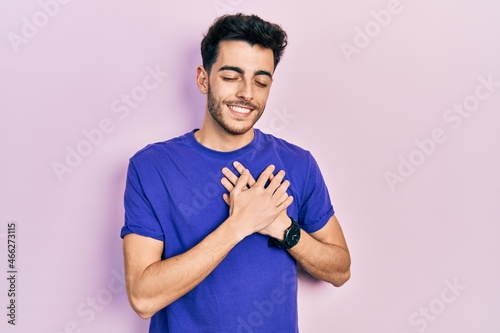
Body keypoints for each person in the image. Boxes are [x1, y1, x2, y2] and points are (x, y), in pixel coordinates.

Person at [120, 13, 351, 333]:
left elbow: (340, 269)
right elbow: (143, 298)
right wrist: (239, 225)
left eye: (261, 81)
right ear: (203, 79)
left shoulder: (298, 164)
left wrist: (284, 228)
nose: (247, 93)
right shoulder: (152, 167)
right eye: (231, 76)